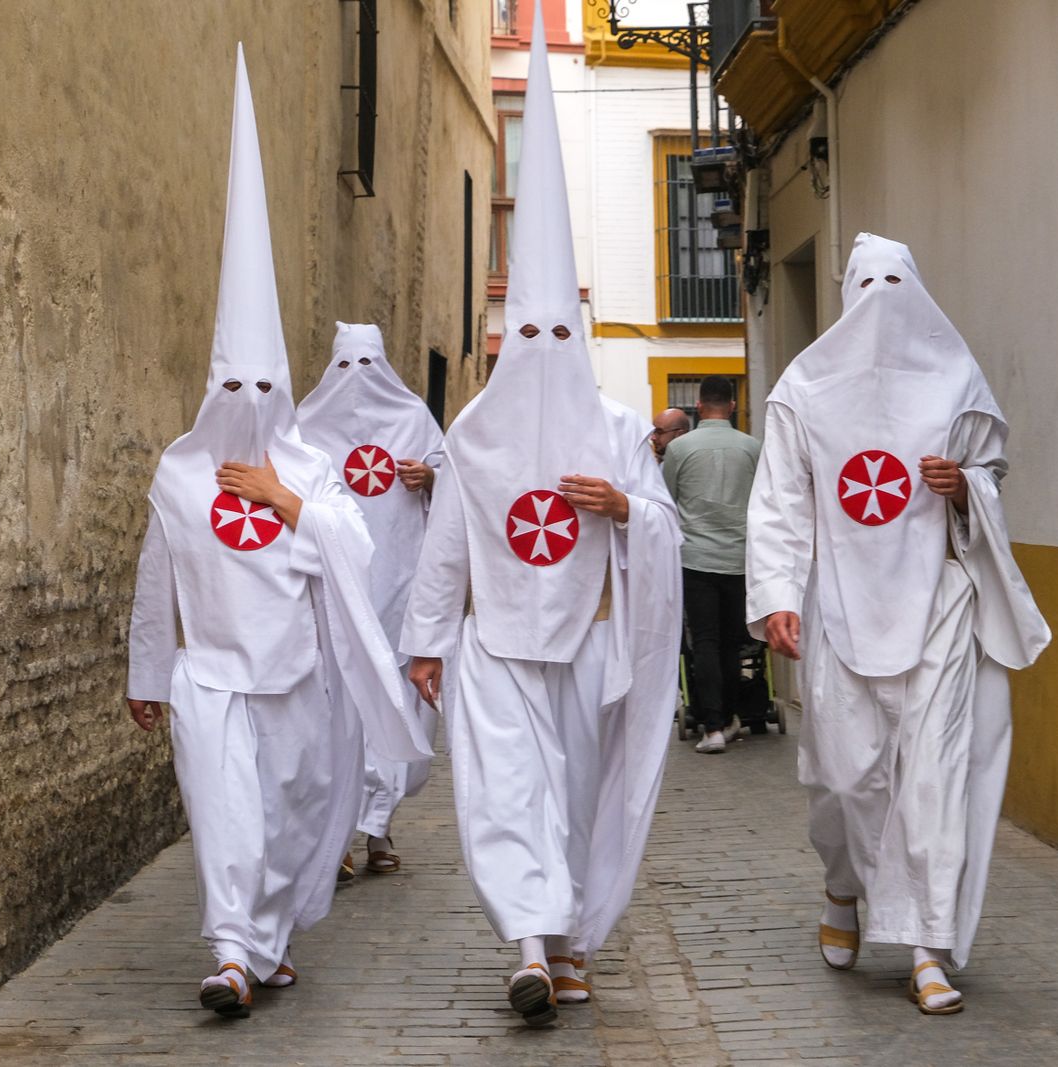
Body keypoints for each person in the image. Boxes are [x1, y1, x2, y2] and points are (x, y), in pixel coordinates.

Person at [124, 47, 430, 1020]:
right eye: (234, 389)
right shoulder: (178, 470)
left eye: (265, 388)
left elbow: (355, 539)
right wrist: (145, 674)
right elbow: (153, 575)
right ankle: (229, 954)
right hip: (209, 674)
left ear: (284, 392)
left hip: (294, 675)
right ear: (215, 387)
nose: (250, 403)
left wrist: (284, 498)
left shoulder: (307, 468)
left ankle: (265, 938)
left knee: (290, 817)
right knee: (227, 818)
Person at [401, 4, 681, 1028]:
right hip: (496, 646)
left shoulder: (613, 426)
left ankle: (565, 943)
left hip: (587, 646)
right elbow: (445, 542)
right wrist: (427, 641)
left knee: (566, 799)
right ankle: (528, 945)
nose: (550, 341)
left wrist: (623, 507)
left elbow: (661, 528)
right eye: (533, 328)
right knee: (506, 796)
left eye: (566, 328)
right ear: (512, 331)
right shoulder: (473, 432)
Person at [746, 233, 1050, 1016]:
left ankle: (927, 946)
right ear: (848, 292)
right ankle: (844, 886)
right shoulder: (804, 388)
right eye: (867, 283)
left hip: (938, 604)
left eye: (895, 281)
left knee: (934, 779)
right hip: (840, 603)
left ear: (916, 287)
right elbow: (780, 499)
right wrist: (777, 593)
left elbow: (992, 470)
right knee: (844, 777)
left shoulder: (957, 378)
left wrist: (963, 489)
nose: (881, 297)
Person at [296, 322, 444, 879]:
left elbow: (455, 487)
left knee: (396, 704)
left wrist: (428, 476)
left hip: (401, 582)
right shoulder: (303, 428)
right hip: (336, 587)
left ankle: (379, 824)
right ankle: (338, 837)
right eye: (344, 367)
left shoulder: (413, 419)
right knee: (340, 711)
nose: (356, 381)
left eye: (367, 366)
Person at [661, 377, 761, 754]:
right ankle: (734, 716)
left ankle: (713, 725)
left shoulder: (680, 449)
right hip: (739, 559)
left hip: (696, 558)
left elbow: (665, 501)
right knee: (733, 642)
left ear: (699, 407)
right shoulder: (753, 448)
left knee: (703, 640)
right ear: (732, 406)